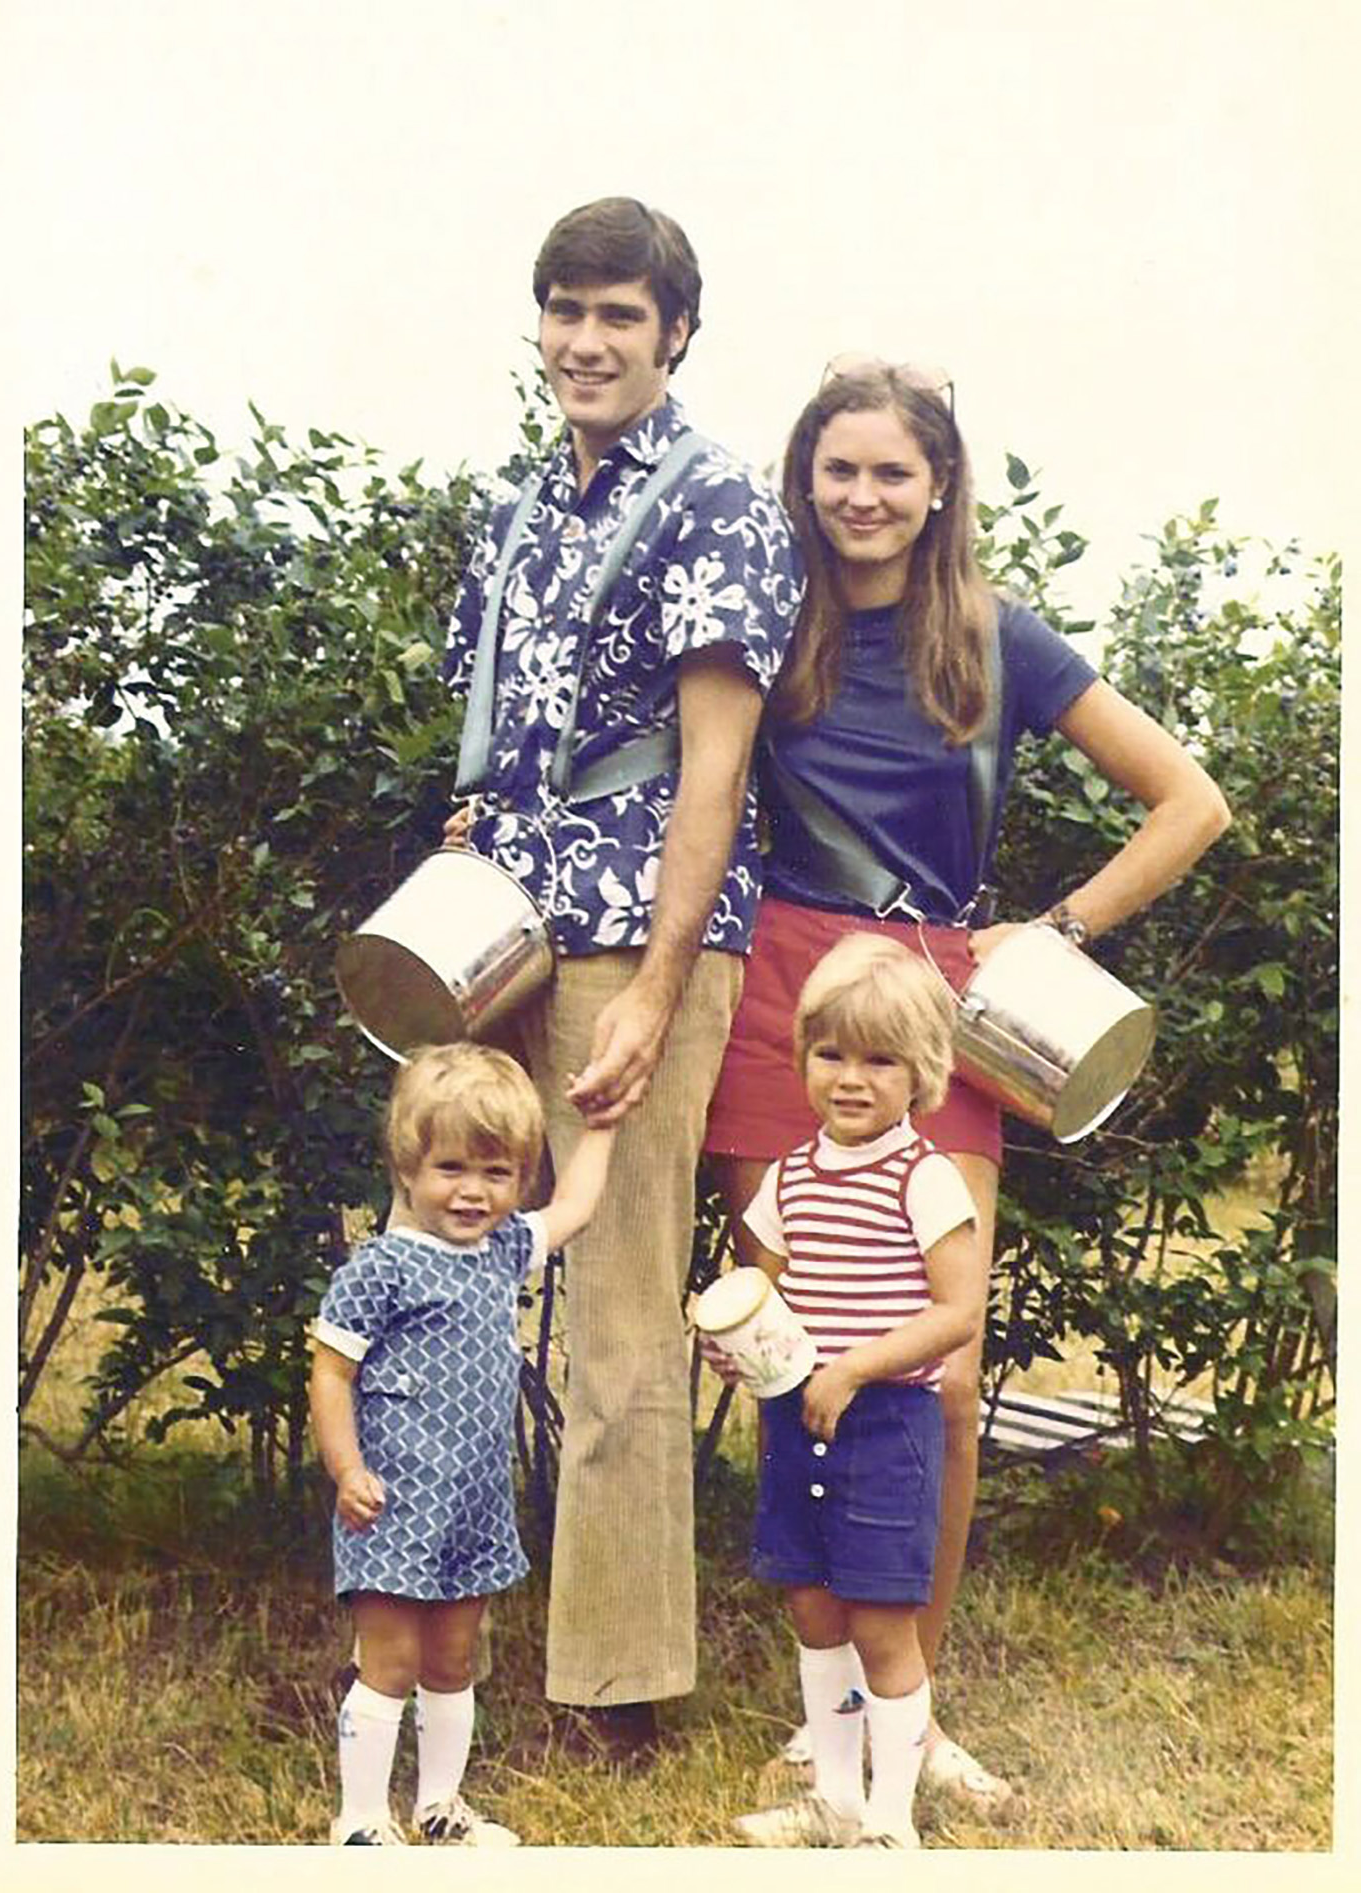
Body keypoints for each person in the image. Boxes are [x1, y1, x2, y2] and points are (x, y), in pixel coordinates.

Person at [704, 358, 1231, 1806]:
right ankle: (825, 1723)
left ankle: (911, 1718)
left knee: (934, 1375)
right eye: (838, 469)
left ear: (939, 486)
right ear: (803, 481)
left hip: (936, 1006)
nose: (863, 496)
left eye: (891, 471)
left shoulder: (1002, 637)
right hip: (781, 1000)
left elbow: (1190, 798)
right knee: (790, 1350)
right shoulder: (768, 620)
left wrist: (1055, 929)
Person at [439, 197, 801, 1759]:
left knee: (619, 1311)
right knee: (461, 1268)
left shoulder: (718, 500)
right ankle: (440, 1639)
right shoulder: (520, 511)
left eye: (621, 318)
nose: (588, 342)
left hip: (637, 943)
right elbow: (513, 738)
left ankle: (620, 1685)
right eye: (565, 311)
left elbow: (712, 773)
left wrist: (658, 988)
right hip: (498, 939)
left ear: (676, 338)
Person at [708, 933, 982, 1849]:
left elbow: (958, 1313)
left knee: (880, 1620)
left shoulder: (926, 1177)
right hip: (801, 1417)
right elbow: (771, 1296)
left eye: (880, 1059)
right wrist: (739, 1346)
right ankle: (833, 1793)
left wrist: (858, 1365)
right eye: (831, 1053)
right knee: (812, 1607)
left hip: (886, 1423)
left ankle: (891, 1819)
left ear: (923, 1072)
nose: (851, 1078)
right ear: (802, 1059)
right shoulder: (788, 1177)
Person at [309, 1042, 615, 1845]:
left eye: (497, 1172)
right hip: (391, 1499)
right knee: (391, 1661)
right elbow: (331, 1375)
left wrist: (603, 1127)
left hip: (473, 1503)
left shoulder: (504, 1249)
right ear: (407, 1167)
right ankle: (362, 1821)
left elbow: (577, 1205)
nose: (473, 1191)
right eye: (451, 1167)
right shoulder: (381, 1269)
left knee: (452, 1660)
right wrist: (347, 1468)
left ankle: (439, 1806)